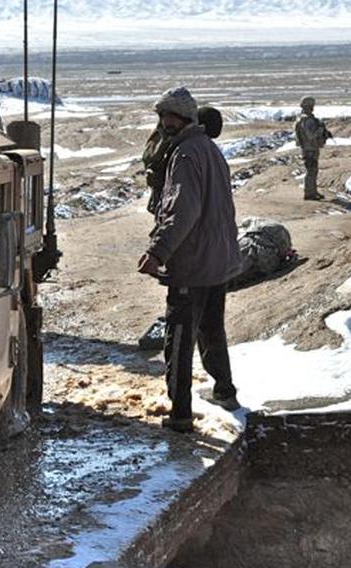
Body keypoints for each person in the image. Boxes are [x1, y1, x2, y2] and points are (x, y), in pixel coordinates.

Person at [137, 87, 243, 433]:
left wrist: (158, 252)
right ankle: (225, 391)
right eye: (162, 116)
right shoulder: (210, 149)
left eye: (170, 116)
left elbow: (182, 211)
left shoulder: (184, 155)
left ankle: (180, 413)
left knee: (180, 336)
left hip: (192, 263)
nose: (165, 123)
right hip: (215, 260)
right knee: (212, 329)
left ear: (184, 119)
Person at [294, 96, 331, 201]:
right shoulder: (307, 120)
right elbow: (310, 135)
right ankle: (310, 193)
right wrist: (320, 130)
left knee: (313, 170)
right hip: (309, 148)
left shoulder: (303, 118)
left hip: (309, 147)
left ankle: (312, 192)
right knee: (311, 170)